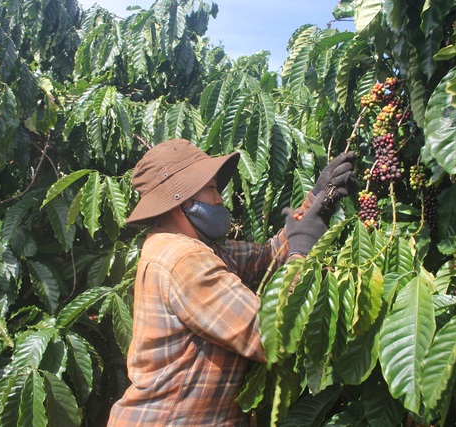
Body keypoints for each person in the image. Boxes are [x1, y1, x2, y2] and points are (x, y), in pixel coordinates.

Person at [107, 138, 358, 426]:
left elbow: (266, 258)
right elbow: (270, 336)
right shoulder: (183, 258)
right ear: (184, 199)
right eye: (212, 189)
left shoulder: (199, 248)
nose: (220, 199)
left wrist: (315, 203)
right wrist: (301, 251)